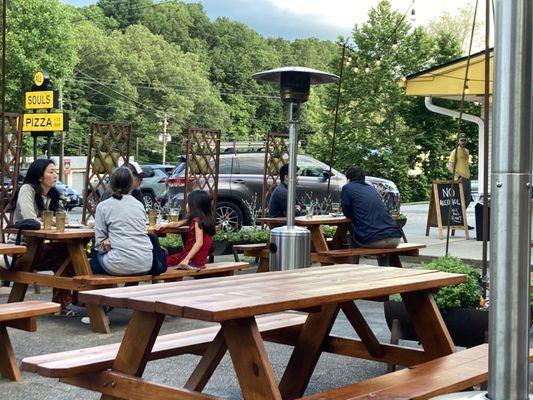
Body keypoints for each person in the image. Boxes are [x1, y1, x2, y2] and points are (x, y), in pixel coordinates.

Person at [8, 159, 74, 315]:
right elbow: (31, 220)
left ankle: (63, 305)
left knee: (68, 253)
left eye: (56, 172)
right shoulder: (27, 189)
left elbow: (65, 220)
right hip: (20, 250)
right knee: (65, 254)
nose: (56, 175)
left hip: (36, 249)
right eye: (51, 172)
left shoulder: (53, 194)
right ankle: (63, 305)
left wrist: (47, 220)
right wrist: (51, 220)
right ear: (39, 176)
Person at [91, 167, 153, 276]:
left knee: (94, 259)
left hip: (119, 265)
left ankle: (99, 292)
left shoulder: (103, 206)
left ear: (111, 184)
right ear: (130, 184)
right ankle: (129, 291)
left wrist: (111, 242)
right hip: (146, 262)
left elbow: (100, 246)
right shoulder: (139, 205)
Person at [341, 166, 401, 248]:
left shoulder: (347, 188)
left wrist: (355, 214)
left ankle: (352, 261)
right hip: (395, 239)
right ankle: (387, 261)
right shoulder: (371, 188)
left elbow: (346, 211)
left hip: (375, 241)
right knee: (375, 237)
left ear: (348, 179)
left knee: (353, 237)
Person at [155, 190, 215, 270]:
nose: (186, 205)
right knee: (169, 259)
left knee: (165, 262)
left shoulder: (197, 221)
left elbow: (199, 242)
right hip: (199, 258)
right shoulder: (202, 219)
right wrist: (165, 225)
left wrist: (186, 259)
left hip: (193, 259)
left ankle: (170, 281)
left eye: (188, 203)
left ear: (195, 206)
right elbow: (177, 224)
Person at [448, 133, 472, 210]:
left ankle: (461, 219)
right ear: (458, 141)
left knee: (467, 201)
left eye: (464, 140)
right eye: (461, 140)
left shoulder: (467, 151)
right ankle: (458, 219)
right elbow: (450, 167)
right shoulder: (454, 152)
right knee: (459, 201)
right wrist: (459, 176)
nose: (463, 142)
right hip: (459, 179)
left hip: (467, 179)